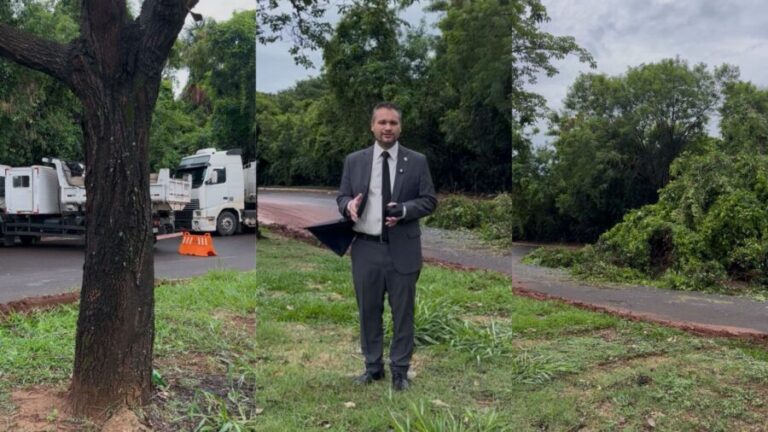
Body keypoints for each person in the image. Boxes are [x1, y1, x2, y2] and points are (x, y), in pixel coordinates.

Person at [337, 102, 437, 391]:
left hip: (402, 249)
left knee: (403, 311)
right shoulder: (354, 160)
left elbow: (429, 200)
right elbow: (341, 196)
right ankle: (372, 367)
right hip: (365, 248)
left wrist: (405, 210)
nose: (387, 128)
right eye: (382, 122)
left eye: (393, 123)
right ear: (372, 126)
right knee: (368, 311)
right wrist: (348, 206)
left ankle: (400, 372)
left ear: (400, 127)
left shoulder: (416, 161)